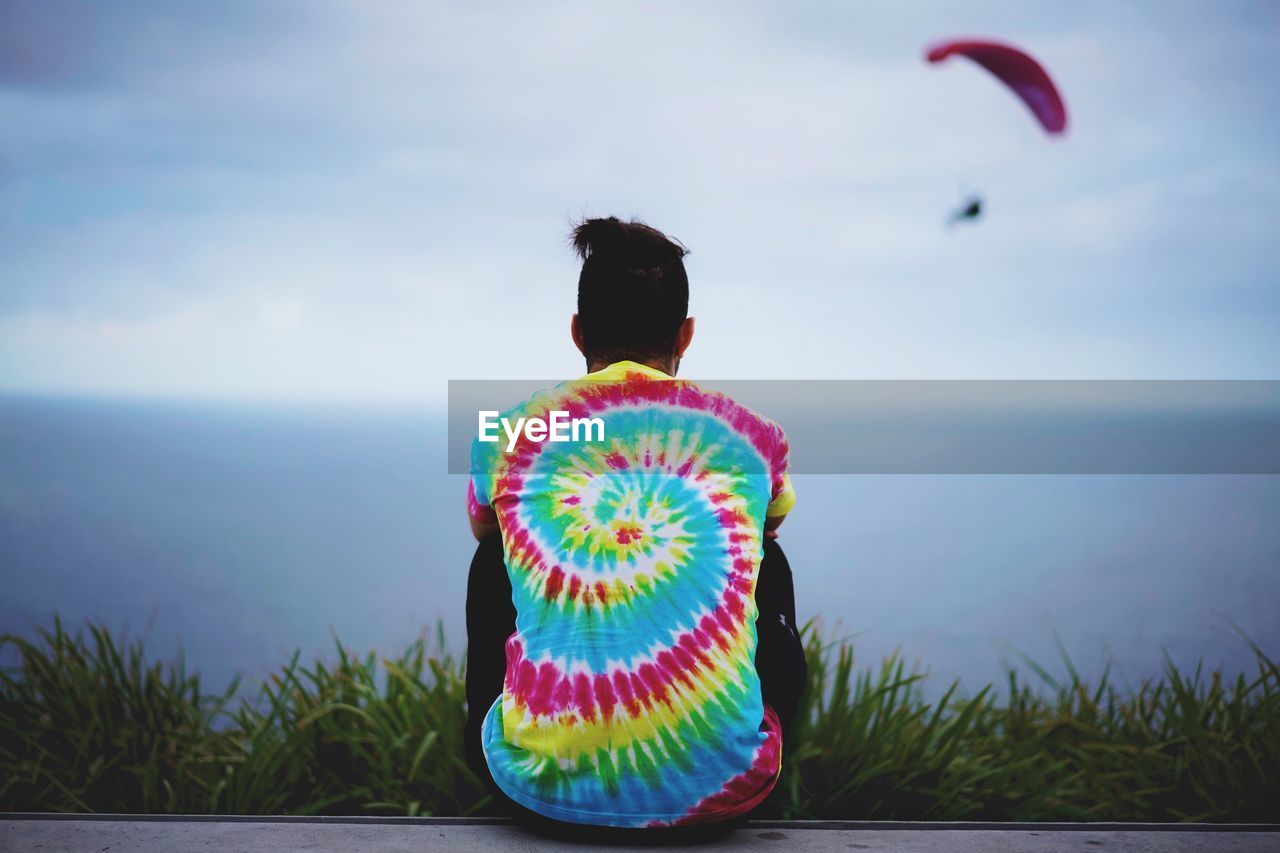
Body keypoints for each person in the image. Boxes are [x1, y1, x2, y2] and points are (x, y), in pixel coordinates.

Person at [463, 216, 806, 838]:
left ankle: (536, 733)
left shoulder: (512, 434)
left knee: (494, 557)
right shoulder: (756, 438)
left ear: (576, 332)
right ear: (686, 334)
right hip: (721, 803)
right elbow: (772, 523)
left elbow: (484, 529)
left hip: (537, 797)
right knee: (768, 560)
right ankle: (729, 744)